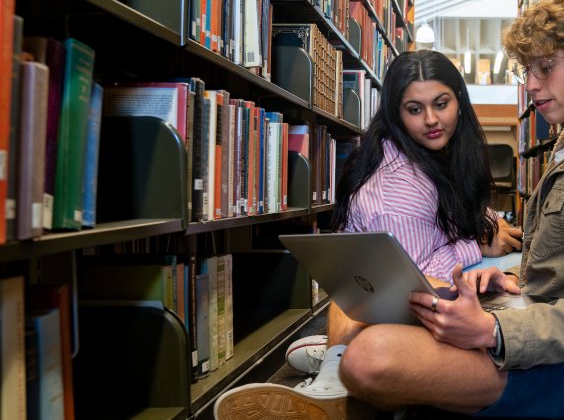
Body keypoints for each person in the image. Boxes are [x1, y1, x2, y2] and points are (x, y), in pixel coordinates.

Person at [333, 0, 564, 418]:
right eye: (528, 70)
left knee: (370, 355)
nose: (533, 85)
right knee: (373, 337)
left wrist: (493, 328)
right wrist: (513, 280)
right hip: (539, 332)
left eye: (546, 67)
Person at [213, 50, 522, 419]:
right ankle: (338, 381)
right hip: (389, 302)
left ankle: (335, 352)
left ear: (459, 100)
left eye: (442, 103)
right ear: (395, 112)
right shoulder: (397, 189)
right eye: (414, 109)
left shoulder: (434, 156)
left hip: (369, 301)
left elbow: (465, 215)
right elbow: (412, 281)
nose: (432, 120)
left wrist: (485, 228)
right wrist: (476, 243)